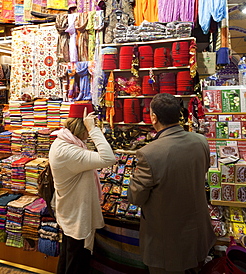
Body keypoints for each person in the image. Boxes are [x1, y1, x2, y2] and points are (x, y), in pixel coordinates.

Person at [127, 93, 216, 274]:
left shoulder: (149, 153)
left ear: (154, 118)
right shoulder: (200, 141)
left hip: (167, 240)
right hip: (197, 233)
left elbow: (135, 197)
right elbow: (201, 173)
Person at [49, 102, 116, 274]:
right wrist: (94, 130)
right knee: (75, 263)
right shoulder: (68, 151)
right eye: (89, 125)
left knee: (68, 258)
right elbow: (109, 158)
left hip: (71, 212)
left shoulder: (65, 142)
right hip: (75, 216)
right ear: (83, 126)